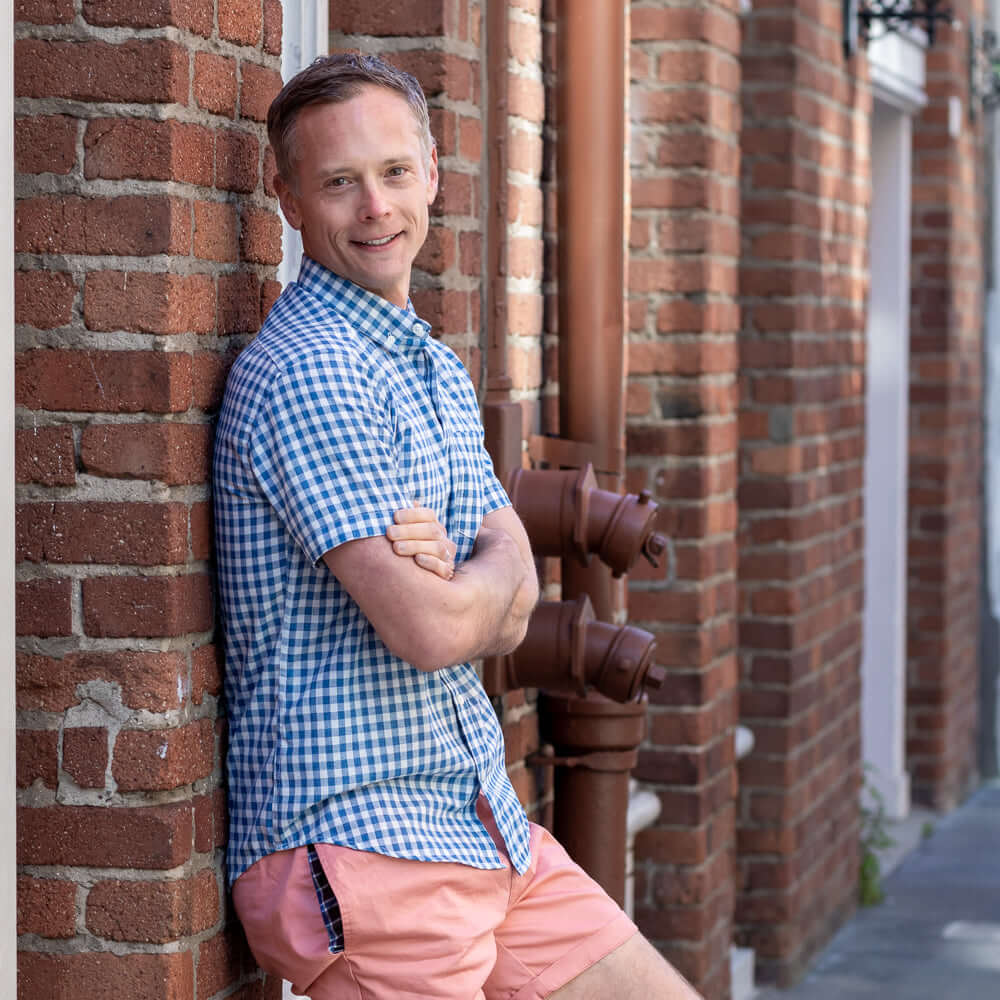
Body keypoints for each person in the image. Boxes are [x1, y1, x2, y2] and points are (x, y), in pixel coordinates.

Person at [213, 52, 701, 1000]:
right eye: (339, 183)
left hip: (480, 826)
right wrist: (474, 590)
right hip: (367, 850)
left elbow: (514, 584)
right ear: (286, 197)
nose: (376, 209)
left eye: (395, 173)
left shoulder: (425, 364)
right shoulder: (315, 371)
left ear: (433, 173)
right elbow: (433, 629)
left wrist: (471, 581)